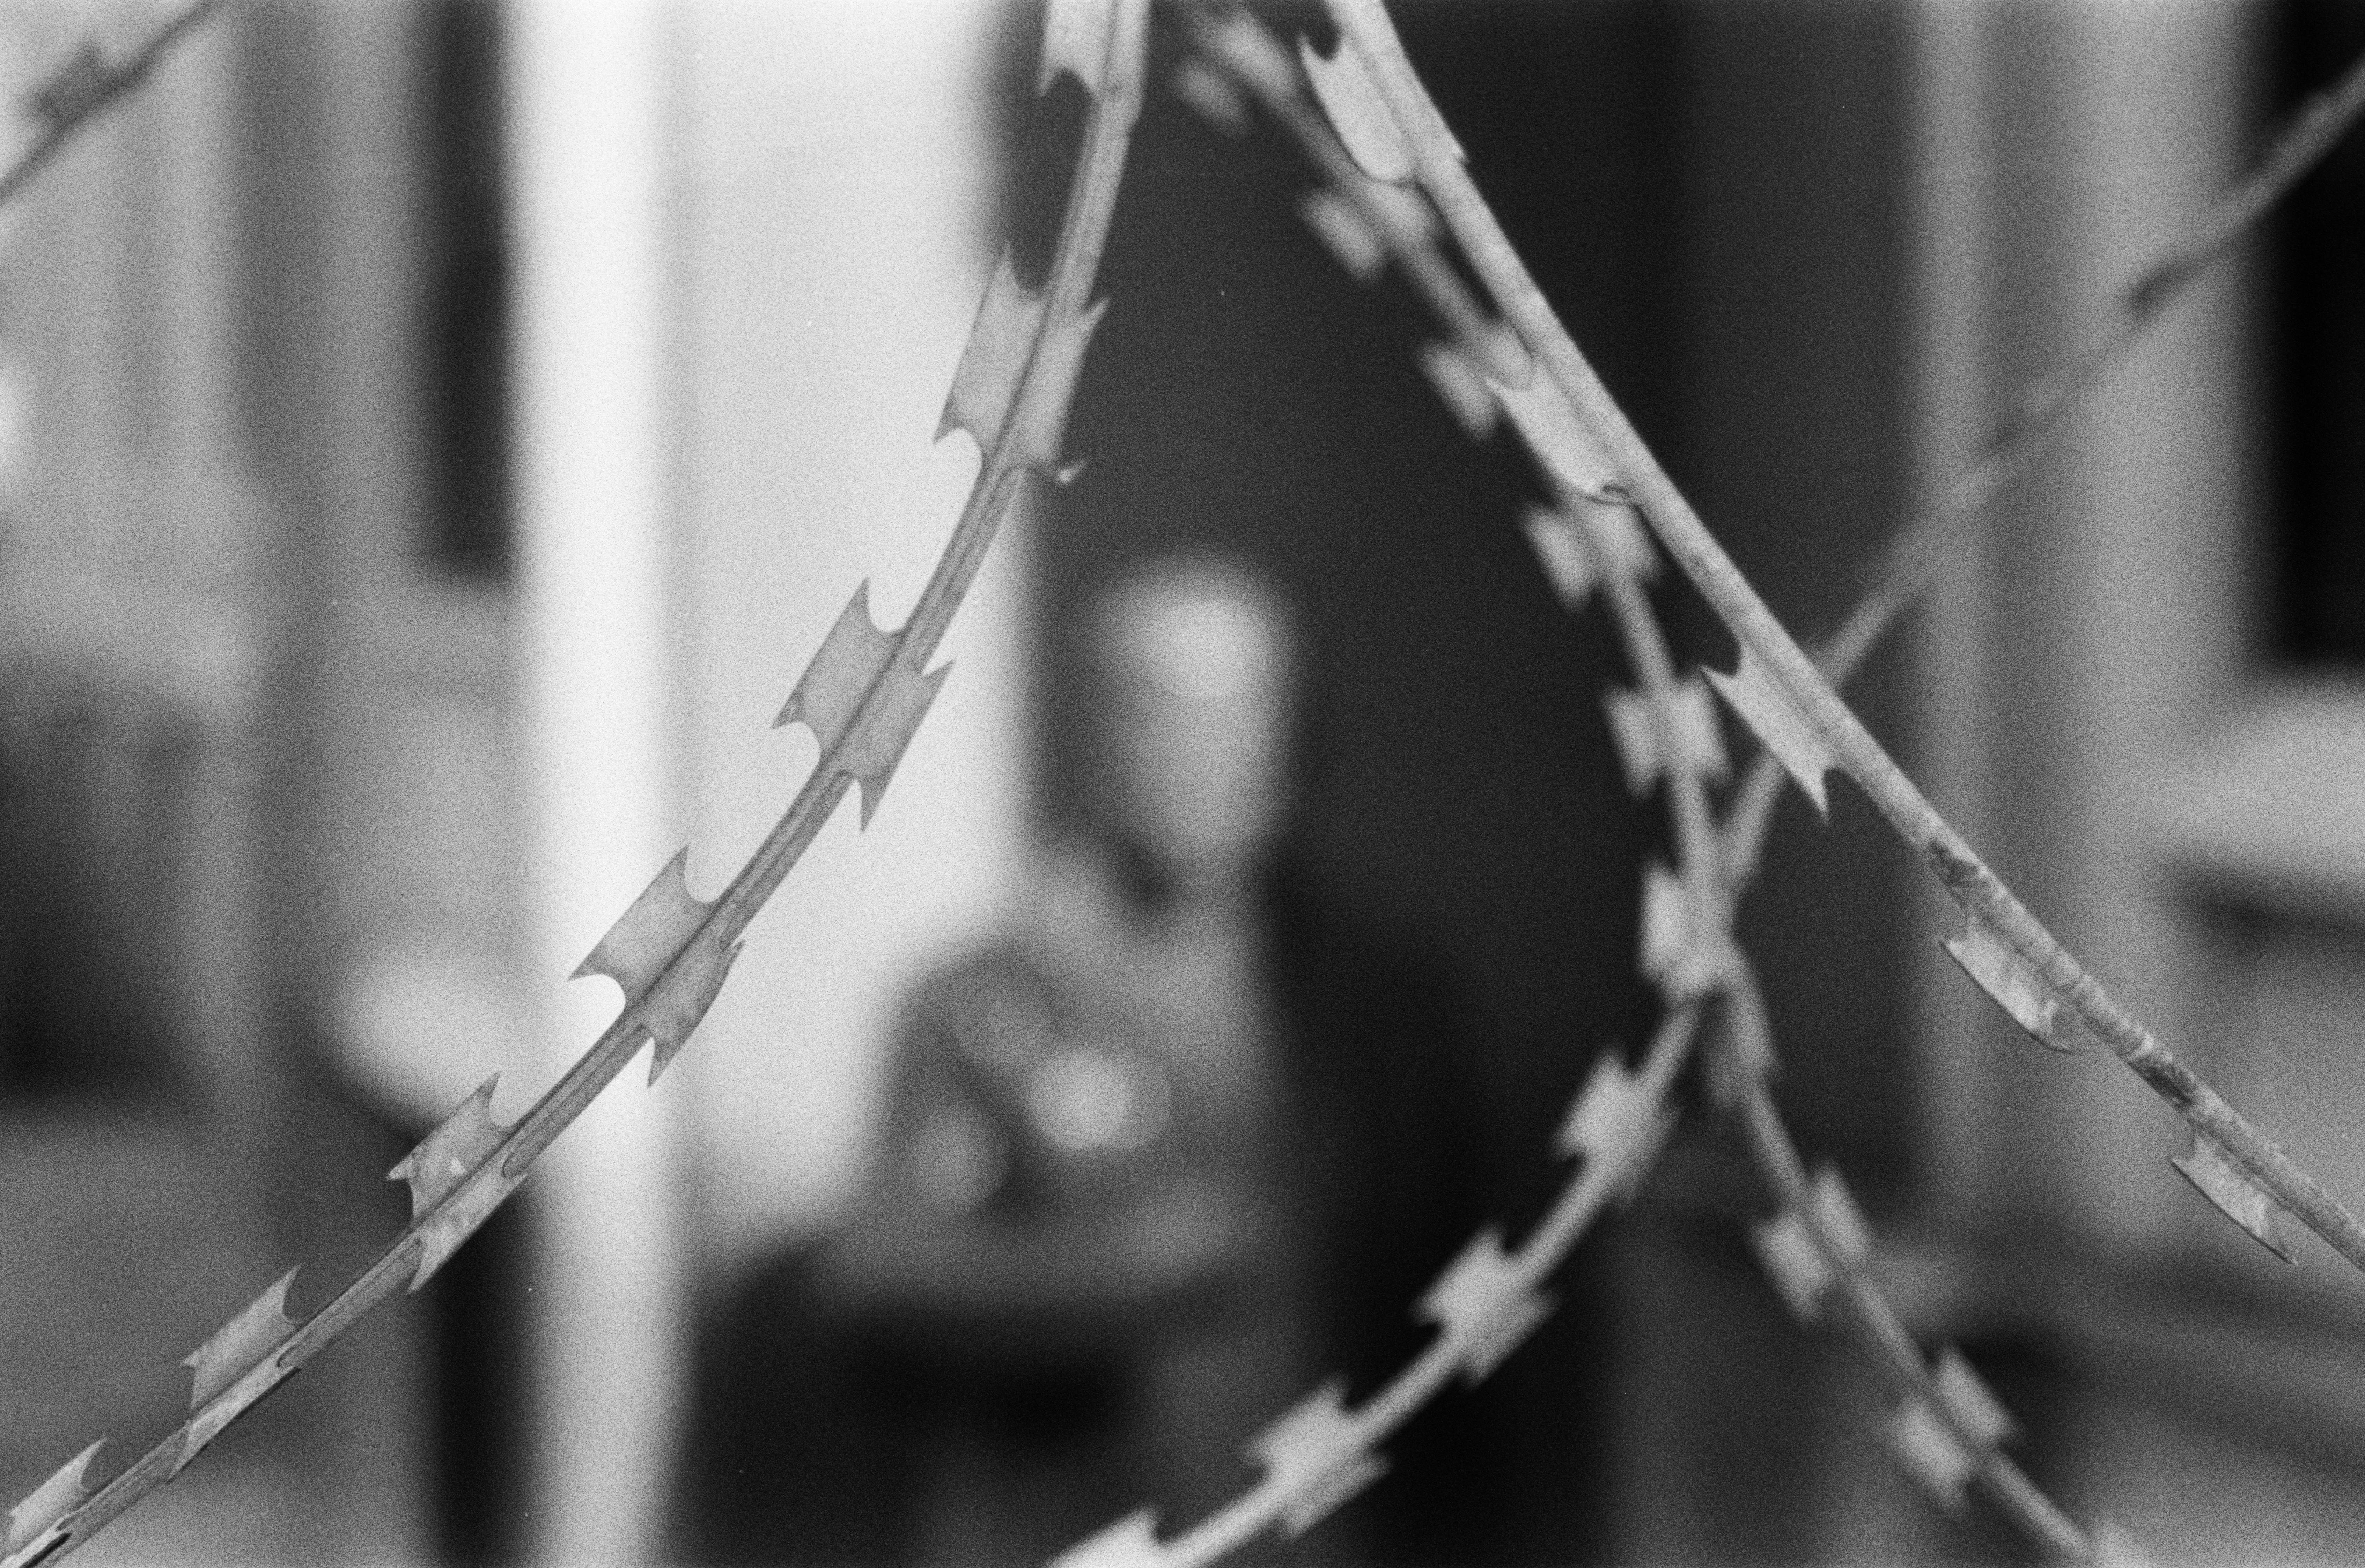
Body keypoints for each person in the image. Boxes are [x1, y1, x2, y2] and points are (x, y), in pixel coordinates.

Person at [675, 557, 1498, 1567]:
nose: (1209, 758)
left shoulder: (1383, 1011)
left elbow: (1464, 1310)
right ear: (1103, 734)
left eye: (1242, 718)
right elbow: (882, 1272)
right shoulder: (989, 996)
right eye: (1167, 718)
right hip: (1070, 1524)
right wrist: (1122, 1272)